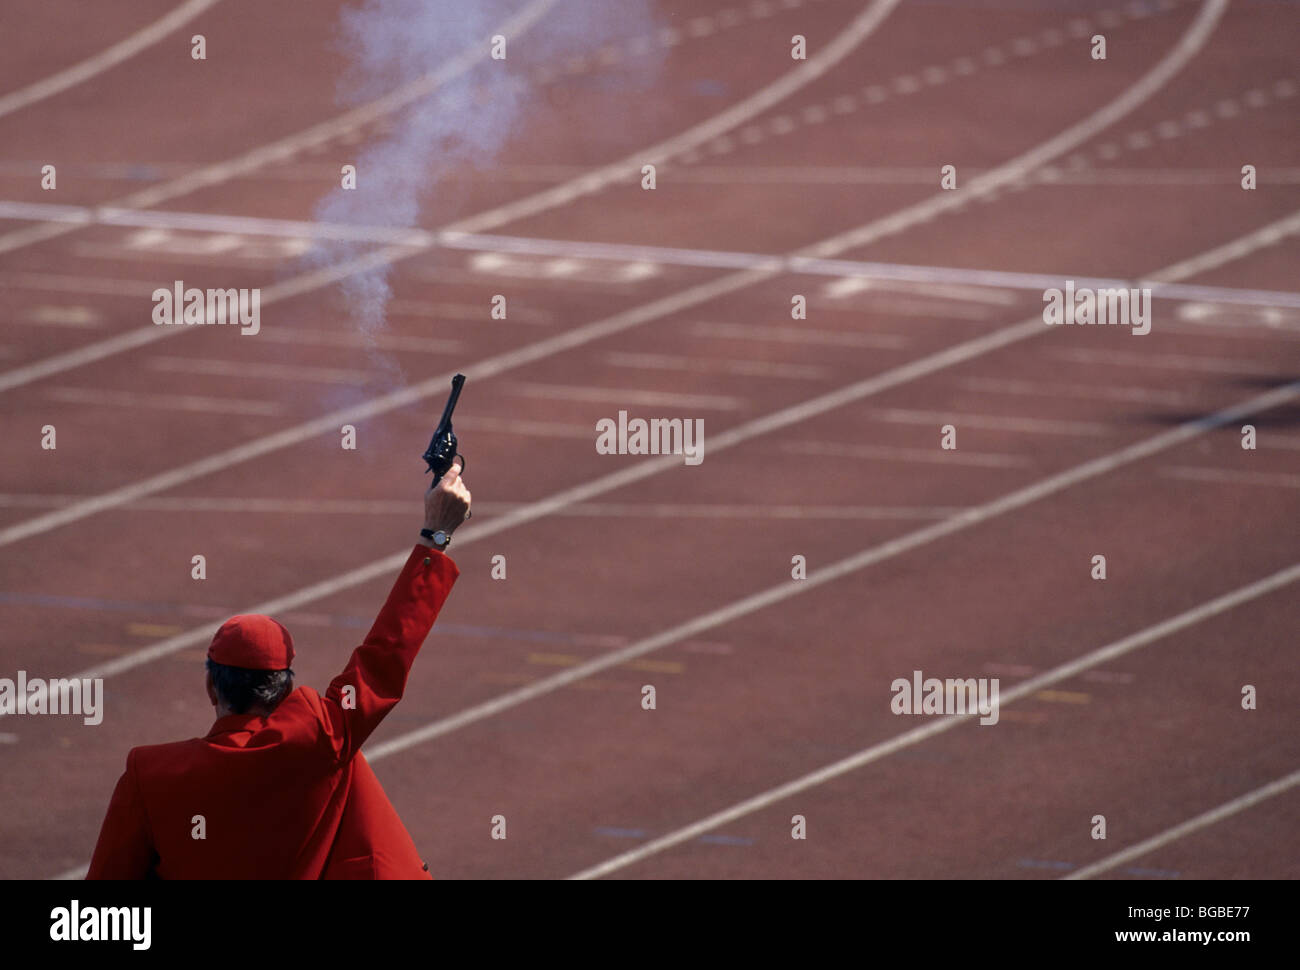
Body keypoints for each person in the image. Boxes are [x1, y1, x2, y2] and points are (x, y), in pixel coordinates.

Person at [86, 462, 472, 879]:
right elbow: (384, 658)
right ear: (284, 687)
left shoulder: (151, 775)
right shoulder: (317, 740)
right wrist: (435, 538)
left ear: (210, 687)